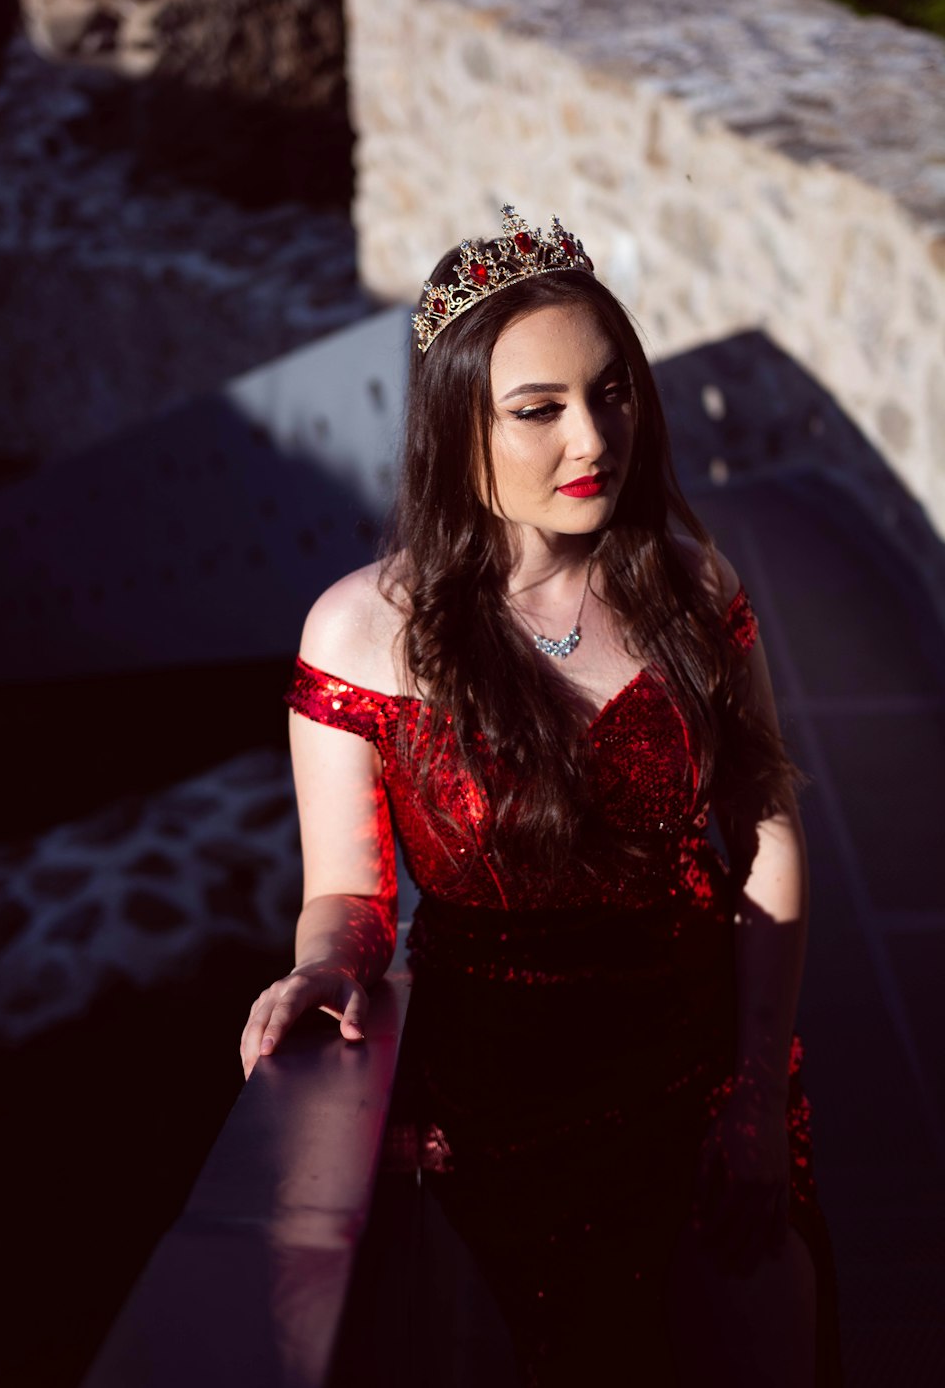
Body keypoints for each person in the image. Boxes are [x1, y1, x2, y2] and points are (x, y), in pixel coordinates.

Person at [239, 205, 841, 1386]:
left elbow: (761, 825)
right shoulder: (360, 633)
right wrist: (328, 966)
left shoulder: (689, 584)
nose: (591, 438)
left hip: (701, 1069)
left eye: (611, 393)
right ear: (457, 426)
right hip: (496, 1108)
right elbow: (353, 893)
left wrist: (757, 1092)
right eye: (539, 410)